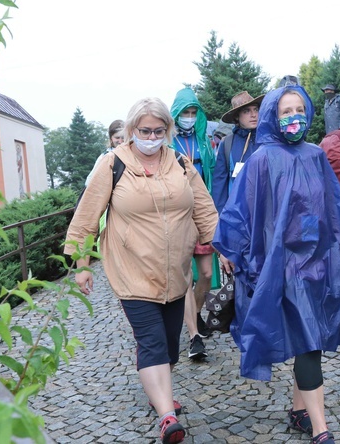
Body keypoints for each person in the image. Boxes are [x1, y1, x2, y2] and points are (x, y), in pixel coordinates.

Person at [213, 84, 340, 444]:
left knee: (307, 338)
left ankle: (300, 411)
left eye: (299, 109)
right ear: (272, 117)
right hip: (280, 266)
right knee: (308, 340)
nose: (293, 116)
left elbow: (335, 209)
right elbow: (241, 210)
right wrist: (230, 250)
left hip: (317, 263)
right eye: (285, 110)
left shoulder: (315, 156)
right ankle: (321, 429)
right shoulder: (262, 159)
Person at [66, 97, 218, 444]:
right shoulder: (112, 165)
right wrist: (82, 265)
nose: (151, 136)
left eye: (158, 130)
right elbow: (85, 217)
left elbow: (206, 211)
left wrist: (224, 249)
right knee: (150, 341)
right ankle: (167, 415)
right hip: (131, 270)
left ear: (168, 130)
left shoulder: (181, 163)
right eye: (144, 130)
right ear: (132, 130)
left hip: (176, 271)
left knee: (168, 346)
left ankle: (158, 390)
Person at [170, 87, 220, 360]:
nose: (188, 117)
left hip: (201, 211)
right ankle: (194, 336)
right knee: (185, 277)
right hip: (178, 215)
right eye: (184, 113)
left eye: (193, 113)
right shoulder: (167, 143)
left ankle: (196, 312)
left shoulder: (204, 141)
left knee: (206, 275)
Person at [211, 91, 264, 215]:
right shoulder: (227, 143)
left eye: (256, 110)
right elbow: (220, 185)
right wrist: (222, 217)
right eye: (246, 111)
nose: (253, 115)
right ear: (237, 117)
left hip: (265, 214)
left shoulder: (268, 140)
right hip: (236, 215)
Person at [85, 119, 125, 186]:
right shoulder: (104, 157)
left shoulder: (134, 156)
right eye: (117, 137)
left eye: (123, 137)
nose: (120, 141)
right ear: (111, 138)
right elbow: (89, 182)